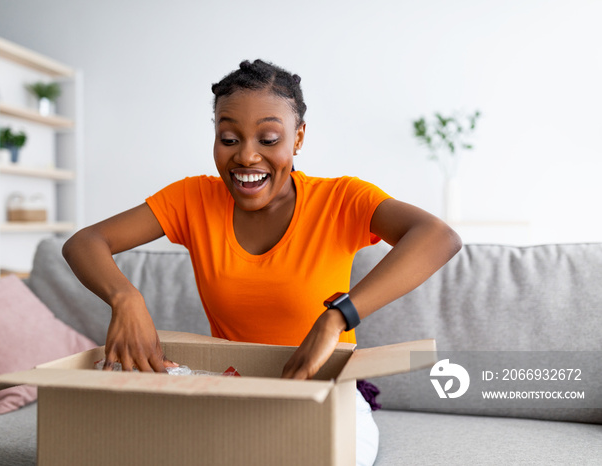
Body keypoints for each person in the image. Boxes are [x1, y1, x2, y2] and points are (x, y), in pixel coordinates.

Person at [62, 59, 462, 466]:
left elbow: (438, 237)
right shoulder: (193, 199)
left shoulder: (341, 200)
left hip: (325, 392)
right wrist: (125, 299)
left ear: (298, 137)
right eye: (229, 138)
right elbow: (85, 242)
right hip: (233, 391)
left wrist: (337, 317)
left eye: (269, 138)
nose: (247, 157)